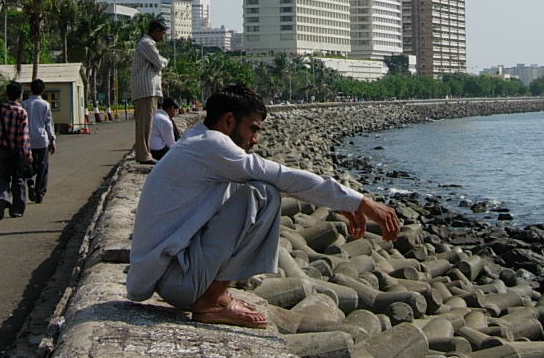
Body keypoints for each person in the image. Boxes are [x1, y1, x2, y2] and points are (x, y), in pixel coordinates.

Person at [126, 83, 400, 328]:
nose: (256, 140)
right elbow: (281, 176)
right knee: (264, 194)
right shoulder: (213, 145)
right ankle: (211, 301)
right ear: (228, 121)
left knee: (252, 189)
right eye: (253, 129)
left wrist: (342, 202)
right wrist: (360, 201)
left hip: (172, 276)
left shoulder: (196, 140)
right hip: (177, 281)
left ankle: (215, 294)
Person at [0, 81, 32, 220]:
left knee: (3, 177)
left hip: (3, 150)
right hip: (17, 151)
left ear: (7, 94)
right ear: (20, 95)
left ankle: (2, 198)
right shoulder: (22, 112)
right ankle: (16, 209)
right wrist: (27, 154)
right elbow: (24, 136)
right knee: (18, 179)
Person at [130, 19, 169, 165]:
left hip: (148, 88)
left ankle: (145, 153)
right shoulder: (146, 43)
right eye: (163, 33)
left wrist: (161, 60)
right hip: (145, 88)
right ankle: (144, 155)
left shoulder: (148, 43)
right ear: (156, 31)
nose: (163, 37)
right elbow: (159, 63)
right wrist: (165, 61)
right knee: (144, 124)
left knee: (148, 123)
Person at [21, 78, 56, 204]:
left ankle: (30, 181)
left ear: (31, 89)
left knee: (30, 165)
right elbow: (49, 124)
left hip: (27, 140)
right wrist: (52, 140)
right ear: (43, 90)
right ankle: (40, 193)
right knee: (43, 166)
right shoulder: (46, 105)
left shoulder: (24, 104)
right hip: (41, 139)